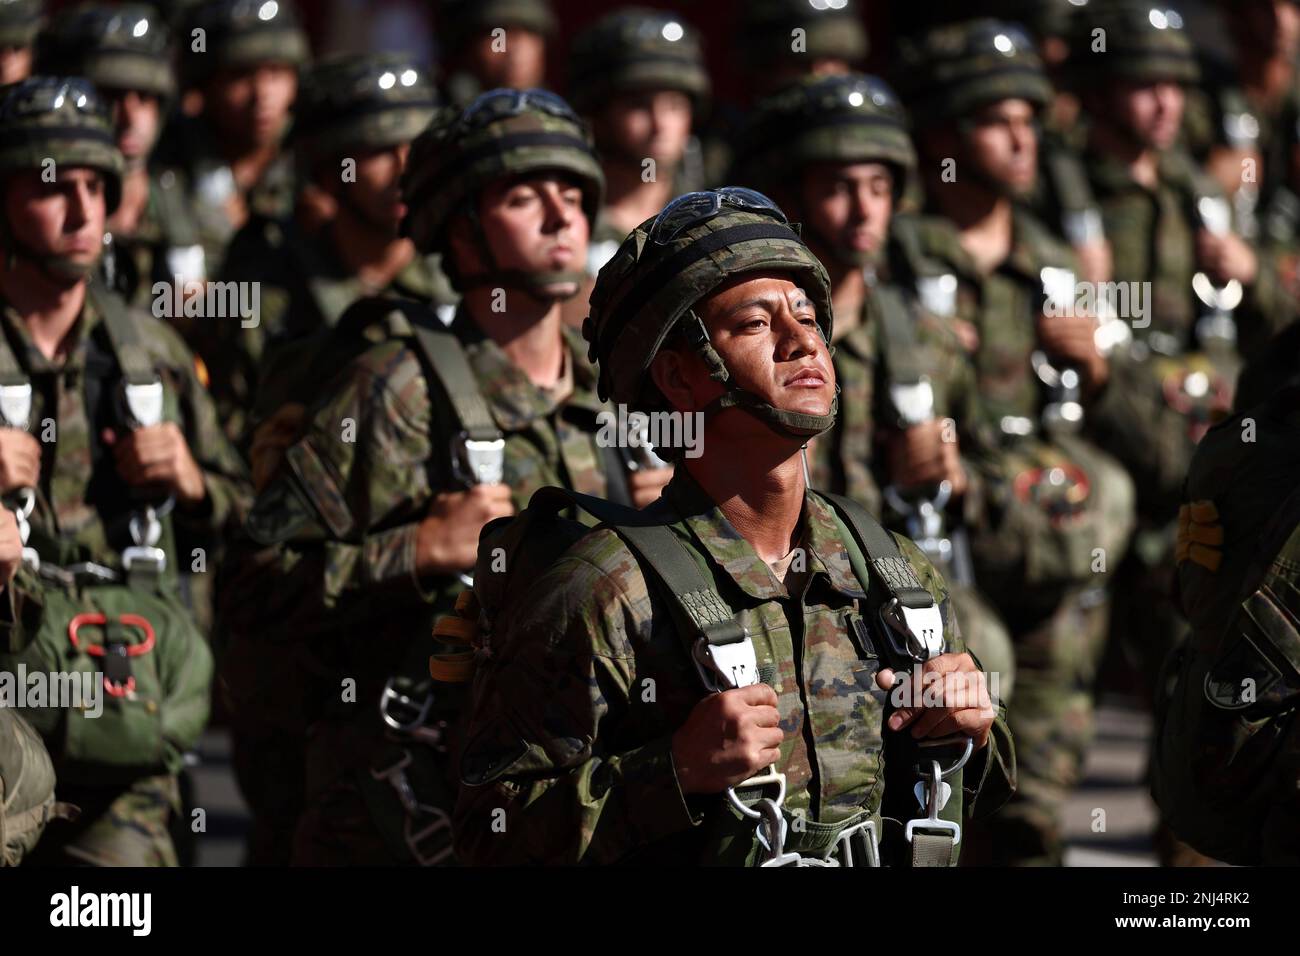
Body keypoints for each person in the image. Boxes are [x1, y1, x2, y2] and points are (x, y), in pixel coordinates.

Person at [453, 189, 1014, 866]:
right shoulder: (604, 590)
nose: (802, 340)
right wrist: (673, 772)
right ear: (680, 377)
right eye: (755, 324)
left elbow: (972, 796)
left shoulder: (891, 575)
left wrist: (975, 732)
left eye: (808, 317)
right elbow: (488, 834)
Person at [224, 88, 669, 865]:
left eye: (573, 194)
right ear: (459, 232)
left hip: (561, 813)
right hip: (399, 819)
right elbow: (251, 581)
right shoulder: (396, 387)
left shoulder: (617, 401)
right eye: (524, 196)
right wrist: (418, 548)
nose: (562, 217)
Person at [894, 18, 1136, 865]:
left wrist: (1098, 367)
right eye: (999, 120)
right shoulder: (896, 257)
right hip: (934, 546)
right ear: (944, 138)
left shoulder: (1053, 262)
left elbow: (1139, 429)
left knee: (1034, 799)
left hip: (1046, 547)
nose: (1024, 137)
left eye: (1031, 118)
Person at [0, 75, 249, 865]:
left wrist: (195, 482)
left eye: (95, 188)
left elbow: (256, 526)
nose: (81, 213)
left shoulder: (154, 355)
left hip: (127, 711)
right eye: (51, 188)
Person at [35, 3, 205, 312]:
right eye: (109, 96)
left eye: (144, 97)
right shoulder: (34, 213)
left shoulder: (189, 209)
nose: (129, 117)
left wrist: (202, 307)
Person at [561, 7, 710, 328]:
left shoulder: (713, 217)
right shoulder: (563, 224)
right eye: (638, 106)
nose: (660, 125)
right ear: (597, 115)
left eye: (674, 105)